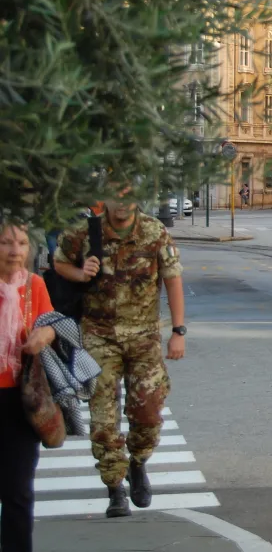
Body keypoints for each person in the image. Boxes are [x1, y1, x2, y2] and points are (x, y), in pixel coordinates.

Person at [53, 195, 186, 518]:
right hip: (99, 337)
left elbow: (172, 278)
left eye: (128, 196)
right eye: (116, 196)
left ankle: (137, 462)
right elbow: (59, 264)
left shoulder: (154, 231)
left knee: (149, 410)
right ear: (106, 199)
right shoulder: (85, 233)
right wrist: (81, 272)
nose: (122, 204)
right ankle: (115, 488)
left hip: (144, 337)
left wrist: (178, 331)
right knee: (103, 419)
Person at [1, 222, 57, 552]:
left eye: (22, 243)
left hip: (21, 400)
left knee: (18, 490)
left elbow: (50, 323)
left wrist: (42, 336)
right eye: (7, 243)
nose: (15, 250)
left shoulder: (34, 285)